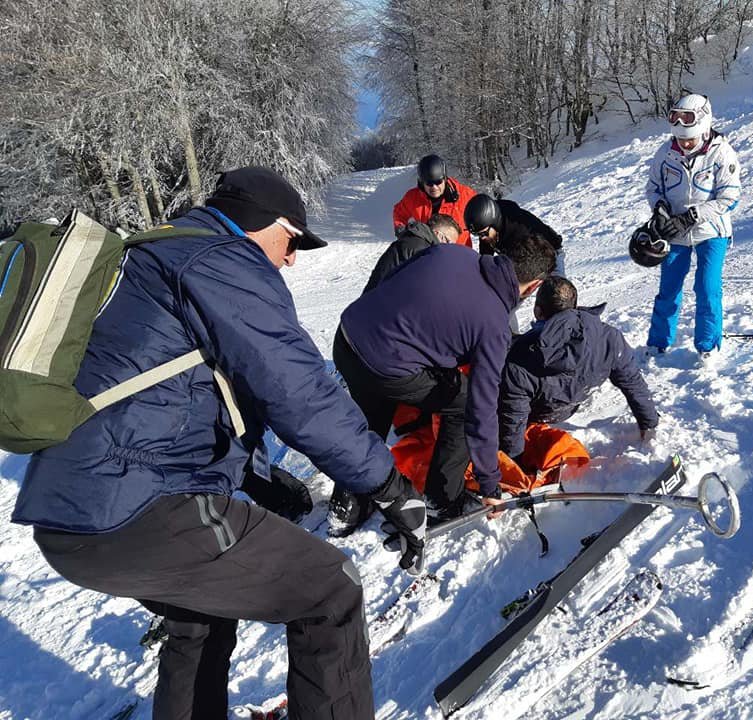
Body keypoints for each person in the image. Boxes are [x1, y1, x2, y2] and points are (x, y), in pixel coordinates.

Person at [12, 166, 427, 720]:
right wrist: (388, 485)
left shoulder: (154, 259)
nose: (292, 257)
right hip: (133, 507)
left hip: (71, 517)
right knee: (330, 590)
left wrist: (255, 474)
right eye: (292, 239)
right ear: (263, 223)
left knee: (199, 614)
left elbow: (180, 395)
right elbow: (298, 391)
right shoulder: (220, 262)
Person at [327, 234, 558, 536]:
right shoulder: (494, 325)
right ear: (535, 285)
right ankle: (442, 498)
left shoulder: (451, 253)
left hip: (348, 337)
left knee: (373, 416)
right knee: (461, 403)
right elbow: (482, 408)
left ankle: (345, 508)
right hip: (383, 365)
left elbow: (397, 282)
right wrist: (489, 482)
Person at [499, 277, 659, 462]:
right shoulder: (609, 337)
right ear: (574, 306)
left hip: (538, 412)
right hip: (570, 405)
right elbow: (633, 383)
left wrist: (512, 463)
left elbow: (513, 417)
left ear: (537, 311)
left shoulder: (520, 356)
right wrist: (649, 424)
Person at [642, 93, 741, 363]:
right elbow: (653, 188)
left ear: (705, 129)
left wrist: (693, 216)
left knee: (707, 287)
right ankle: (658, 343)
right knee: (669, 287)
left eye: (690, 139)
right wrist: (660, 208)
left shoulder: (722, 153)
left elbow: (729, 198)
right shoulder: (665, 153)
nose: (685, 144)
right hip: (675, 232)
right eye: (680, 139)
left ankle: (708, 345)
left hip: (711, 231)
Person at [362, 213, 461, 293]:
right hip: (380, 306)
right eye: (448, 242)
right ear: (437, 234)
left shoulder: (417, 241)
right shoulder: (419, 247)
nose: (450, 248)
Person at [393, 154, 477, 246]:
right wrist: (402, 231)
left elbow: (485, 212)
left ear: (445, 178)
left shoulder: (465, 195)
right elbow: (399, 213)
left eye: (438, 182)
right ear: (422, 182)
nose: (434, 187)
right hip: (429, 253)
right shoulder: (413, 198)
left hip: (461, 253)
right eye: (429, 183)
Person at [463, 193, 563, 260]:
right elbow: (486, 257)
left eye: (483, 234)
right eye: (477, 235)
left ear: (495, 222)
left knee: (553, 289)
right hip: (523, 258)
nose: (482, 238)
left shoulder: (519, 231)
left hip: (550, 253)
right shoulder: (487, 230)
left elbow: (523, 271)